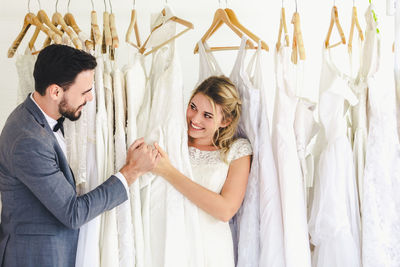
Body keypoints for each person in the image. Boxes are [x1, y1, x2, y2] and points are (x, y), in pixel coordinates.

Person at [0, 44, 159, 267]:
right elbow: (72, 213)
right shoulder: (28, 140)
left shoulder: (44, 118)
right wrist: (131, 172)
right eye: (85, 91)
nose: (92, 98)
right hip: (36, 258)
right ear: (55, 92)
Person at [152, 76, 252, 267]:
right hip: (169, 244)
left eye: (207, 115)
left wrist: (168, 172)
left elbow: (225, 210)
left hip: (211, 250)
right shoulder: (173, 140)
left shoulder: (237, 151)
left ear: (225, 121)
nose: (195, 119)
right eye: (193, 107)